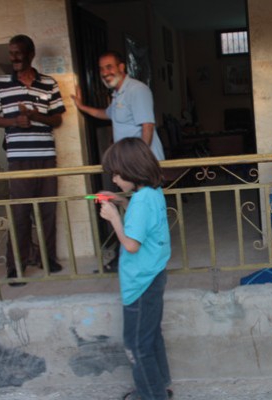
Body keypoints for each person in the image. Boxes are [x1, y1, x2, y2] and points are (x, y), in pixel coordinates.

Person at [70, 50, 165, 273]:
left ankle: (144, 257)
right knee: (132, 208)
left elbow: (147, 126)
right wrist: (82, 107)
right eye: (102, 69)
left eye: (109, 67)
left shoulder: (136, 90)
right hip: (128, 165)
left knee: (144, 209)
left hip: (139, 165)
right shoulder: (118, 94)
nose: (105, 72)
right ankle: (127, 255)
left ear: (122, 67)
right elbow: (107, 114)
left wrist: (140, 161)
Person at [0, 34, 66, 285]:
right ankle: (16, 266)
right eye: (11, 53)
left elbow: (57, 119)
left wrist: (35, 116)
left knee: (48, 210)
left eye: (18, 53)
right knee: (20, 212)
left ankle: (47, 258)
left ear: (30, 54)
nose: (14, 58)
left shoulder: (48, 83)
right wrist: (14, 121)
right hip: (19, 159)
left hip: (46, 157)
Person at [98, 137, 172, 400]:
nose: (114, 179)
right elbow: (144, 222)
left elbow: (131, 244)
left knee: (136, 345)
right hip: (154, 274)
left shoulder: (141, 201)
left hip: (140, 282)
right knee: (151, 337)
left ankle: (152, 395)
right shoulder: (152, 193)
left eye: (117, 174)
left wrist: (114, 219)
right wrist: (121, 202)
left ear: (132, 170)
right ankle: (160, 387)